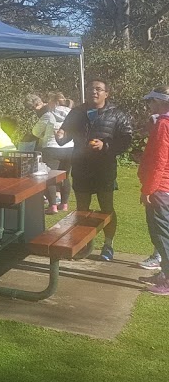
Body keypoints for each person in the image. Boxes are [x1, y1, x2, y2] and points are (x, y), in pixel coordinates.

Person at [58, 78, 134, 261]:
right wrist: (61, 134)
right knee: (82, 209)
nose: (94, 92)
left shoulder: (117, 114)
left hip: (104, 169)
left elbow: (126, 140)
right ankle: (82, 244)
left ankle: (108, 245)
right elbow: (64, 136)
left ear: (106, 93)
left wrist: (106, 145)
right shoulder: (77, 112)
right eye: (91, 89)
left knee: (106, 208)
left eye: (99, 89)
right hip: (81, 168)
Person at [137, 87, 169, 294]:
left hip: (161, 188)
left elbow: (159, 159)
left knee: (162, 235)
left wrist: (148, 189)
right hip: (165, 187)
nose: (149, 106)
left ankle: (167, 281)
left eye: (151, 102)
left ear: (159, 102)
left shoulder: (164, 125)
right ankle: (164, 274)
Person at [33, 91, 73, 214]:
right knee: (65, 176)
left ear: (52, 102)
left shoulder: (48, 115)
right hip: (69, 148)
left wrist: (43, 135)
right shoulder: (71, 115)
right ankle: (64, 204)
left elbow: (35, 131)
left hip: (51, 149)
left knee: (49, 177)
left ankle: (52, 206)